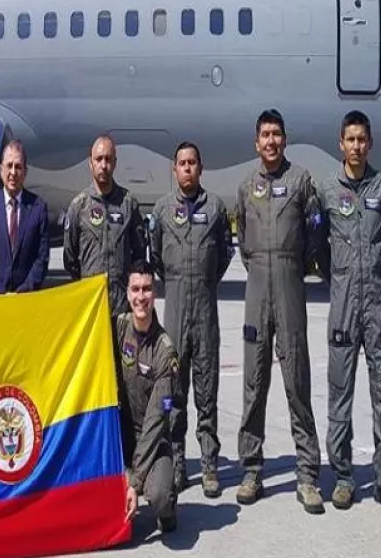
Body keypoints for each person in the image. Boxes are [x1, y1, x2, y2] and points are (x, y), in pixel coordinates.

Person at [232, 108, 327, 514]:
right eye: (264, 135)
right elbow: (243, 247)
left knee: (296, 382)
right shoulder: (245, 187)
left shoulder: (301, 182)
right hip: (257, 293)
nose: (271, 141)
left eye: (277, 135)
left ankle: (307, 474)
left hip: (290, 288)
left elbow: (315, 234)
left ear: (284, 140)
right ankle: (252, 468)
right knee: (253, 385)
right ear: (256, 143)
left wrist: (294, 266)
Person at [315, 111, 381, 514]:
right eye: (349, 139)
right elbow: (318, 249)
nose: (355, 146)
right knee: (340, 397)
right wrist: (340, 279)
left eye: (362, 140)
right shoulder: (327, 191)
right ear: (341, 143)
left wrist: (371, 274)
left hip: (377, 309)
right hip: (342, 309)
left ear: (369, 144)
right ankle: (343, 477)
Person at [149, 141, 234, 497]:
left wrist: (204, 280)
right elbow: (154, 255)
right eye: (181, 163)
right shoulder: (162, 210)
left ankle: (210, 463)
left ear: (200, 168)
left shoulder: (214, 208)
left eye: (192, 163)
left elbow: (226, 252)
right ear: (175, 169)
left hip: (205, 312)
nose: (187, 168)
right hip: (174, 313)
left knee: (207, 391)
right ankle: (179, 462)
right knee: (175, 392)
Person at [114, 259, 179, 534]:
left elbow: (155, 422)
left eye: (147, 289)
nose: (141, 297)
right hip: (122, 434)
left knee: (160, 497)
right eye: (135, 289)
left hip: (152, 437)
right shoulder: (118, 327)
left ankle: (168, 505)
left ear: (155, 293)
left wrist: (134, 482)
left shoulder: (166, 352)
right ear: (127, 294)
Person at [63, 134, 147, 316]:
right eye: (98, 159)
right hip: (91, 305)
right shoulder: (79, 206)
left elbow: (139, 253)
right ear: (90, 163)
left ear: (115, 163)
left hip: (122, 305)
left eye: (108, 159)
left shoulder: (128, 204)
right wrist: (86, 284)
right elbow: (70, 257)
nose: (103, 165)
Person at [0, 139, 50, 293]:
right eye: (9, 165)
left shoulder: (38, 208)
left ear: (25, 171)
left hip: (27, 299)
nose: (12, 172)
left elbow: (41, 257)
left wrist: (25, 290)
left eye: (18, 167)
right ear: (0, 169)